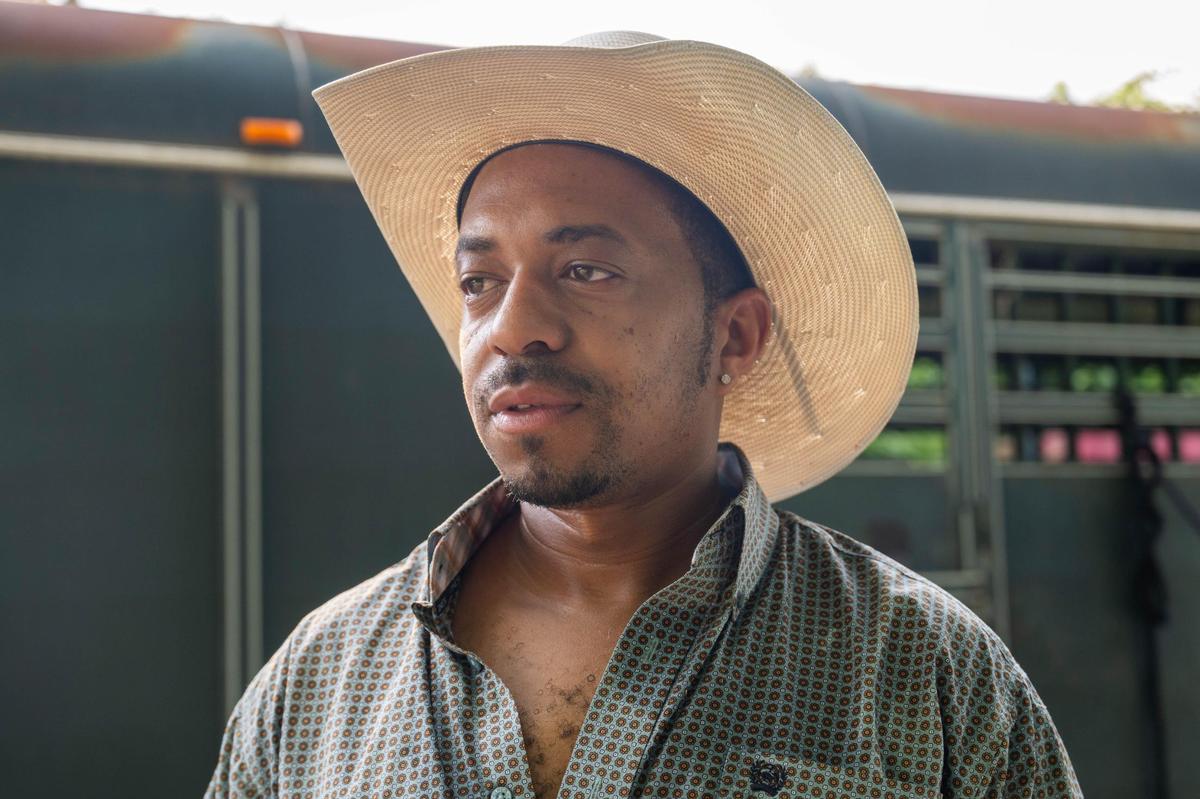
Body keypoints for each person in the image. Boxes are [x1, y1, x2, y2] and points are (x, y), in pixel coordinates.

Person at [205, 32, 1082, 799]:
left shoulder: (924, 670)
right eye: (479, 281)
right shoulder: (319, 681)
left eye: (585, 269)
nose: (511, 326)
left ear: (734, 334)